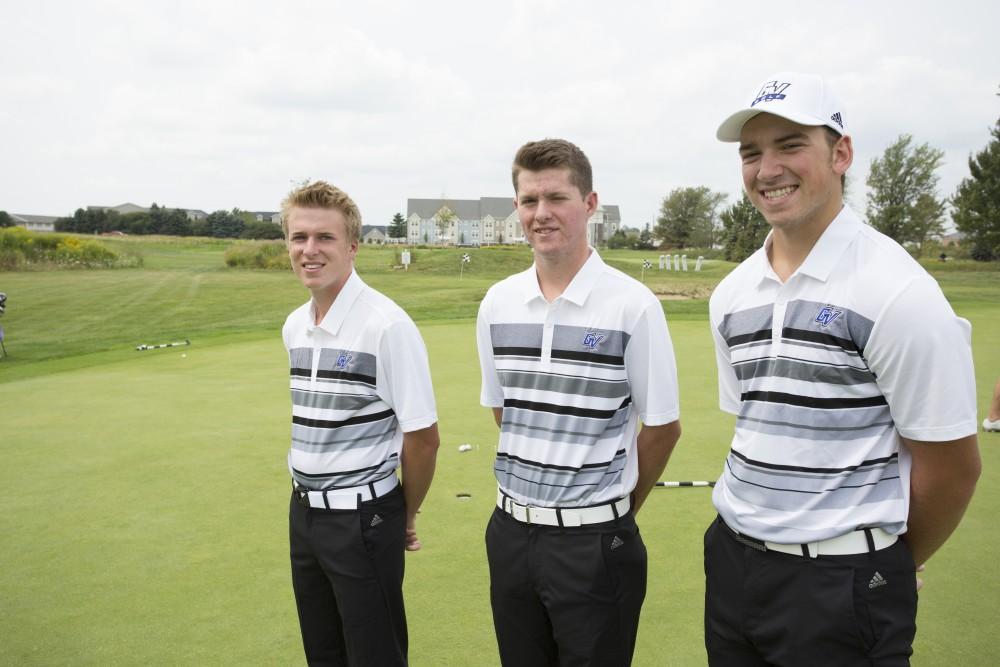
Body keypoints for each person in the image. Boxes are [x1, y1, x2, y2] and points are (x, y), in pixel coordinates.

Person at [705, 72, 981, 665]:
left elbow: (953, 468)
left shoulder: (898, 291)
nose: (767, 168)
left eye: (790, 145)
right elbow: (755, 425)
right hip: (732, 563)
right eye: (751, 154)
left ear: (841, 153)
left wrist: (887, 564)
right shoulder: (731, 294)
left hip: (842, 581)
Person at [476, 138, 682, 665]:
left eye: (557, 198)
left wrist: (612, 512)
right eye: (528, 200)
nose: (540, 213)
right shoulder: (497, 303)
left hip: (595, 542)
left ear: (589, 205)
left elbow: (662, 429)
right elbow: (507, 413)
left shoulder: (633, 306)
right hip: (510, 533)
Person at [280, 181, 440, 666]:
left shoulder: (386, 325)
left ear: (352, 246)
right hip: (304, 513)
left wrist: (403, 515)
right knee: (323, 652)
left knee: (374, 656)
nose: (310, 250)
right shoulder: (294, 325)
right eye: (298, 237)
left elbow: (424, 439)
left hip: (363, 519)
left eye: (324, 238)